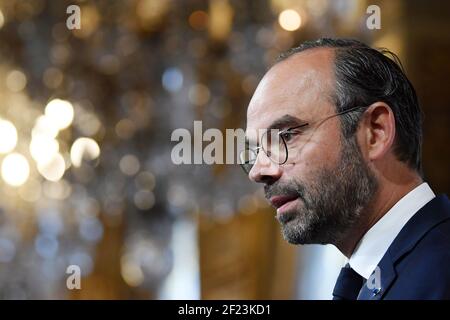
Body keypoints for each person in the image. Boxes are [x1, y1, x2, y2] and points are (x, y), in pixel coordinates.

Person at [240, 38, 450, 300]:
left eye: (285, 136)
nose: (258, 171)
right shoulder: (371, 279)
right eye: (256, 149)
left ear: (375, 133)